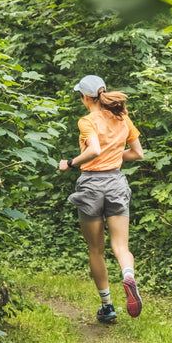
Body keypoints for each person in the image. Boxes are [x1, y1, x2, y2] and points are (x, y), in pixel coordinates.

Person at [59, 74, 144, 323]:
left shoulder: (87, 121)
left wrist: (71, 163)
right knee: (121, 247)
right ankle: (128, 275)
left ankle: (107, 307)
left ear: (85, 96)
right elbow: (138, 153)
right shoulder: (122, 117)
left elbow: (94, 150)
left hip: (91, 185)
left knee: (96, 250)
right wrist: (115, 156)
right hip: (116, 182)